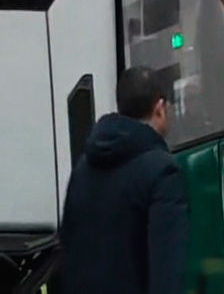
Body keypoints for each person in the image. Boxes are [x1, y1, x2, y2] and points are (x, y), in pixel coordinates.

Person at [57, 66, 189, 294]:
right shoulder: (162, 172)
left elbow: (66, 253)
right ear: (159, 108)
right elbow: (166, 268)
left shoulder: (83, 167)